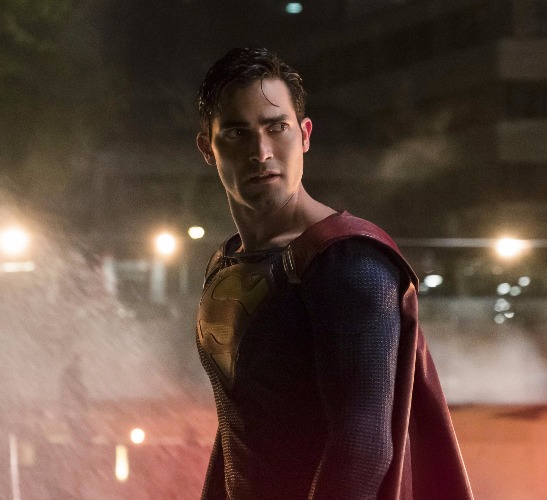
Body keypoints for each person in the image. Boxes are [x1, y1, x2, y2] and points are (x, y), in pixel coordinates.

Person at [194, 47, 472, 500]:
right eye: (238, 133)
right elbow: (236, 431)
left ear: (304, 135)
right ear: (208, 147)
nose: (261, 152)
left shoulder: (346, 263)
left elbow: (362, 450)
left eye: (276, 127)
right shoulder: (228, 262)